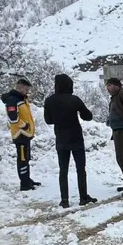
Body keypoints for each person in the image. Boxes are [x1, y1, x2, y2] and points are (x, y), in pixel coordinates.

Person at [43, 73, 98, 208]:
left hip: (61, 139)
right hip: (76, 139)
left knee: (63, 170)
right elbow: (88, 116)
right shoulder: (74, 100)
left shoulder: (49, 101)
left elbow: (48, 121)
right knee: (80, 169)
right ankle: (83, 197)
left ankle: (65, 200)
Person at [2, 78, 41, 191]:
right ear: (19, 87)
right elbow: (13, 117)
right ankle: (24, 184)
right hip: (20, 134)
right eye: (25, 89)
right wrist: (23, 125)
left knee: (26, 158)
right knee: (22, 159)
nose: (27, 91)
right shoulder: (12, 100)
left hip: (26, 135)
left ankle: (27, 179)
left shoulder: (21, 99)